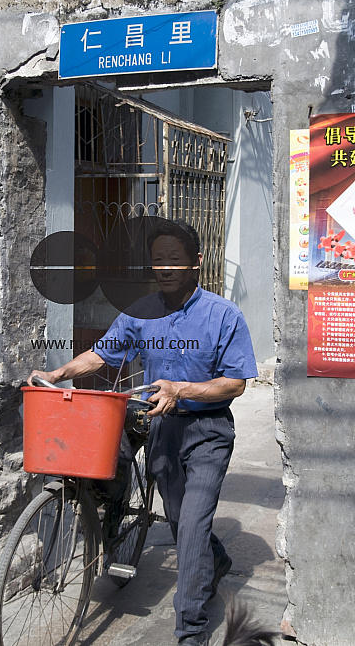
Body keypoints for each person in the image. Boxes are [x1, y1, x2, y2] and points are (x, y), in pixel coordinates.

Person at [27, 219, 258, 646]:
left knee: (190, 526)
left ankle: (189, 631)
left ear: (196, 263)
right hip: (161, 430)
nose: (166, 268)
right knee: (179, 520)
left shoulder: (224, 315)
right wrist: (59, 373)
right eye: (158, 261)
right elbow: (101, 355)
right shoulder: (140, 313)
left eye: (175, 259)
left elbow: (236, 383)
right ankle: (216, 558)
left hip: (207, 431)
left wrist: (184, 389)